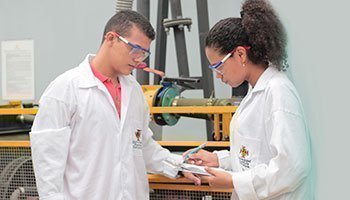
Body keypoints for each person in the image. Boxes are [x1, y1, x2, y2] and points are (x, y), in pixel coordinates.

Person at [30, 10, 183, 200]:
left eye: (144, 54)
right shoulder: (65, 89)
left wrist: (180, 166)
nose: (138, 59)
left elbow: (142, 146)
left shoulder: (134, 90)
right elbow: (48, 162)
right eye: (135, 49)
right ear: (111, 38)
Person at [183, 0, 313, 199]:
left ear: (241, 54)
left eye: (218, 66)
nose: (218, 75)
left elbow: (292, 168)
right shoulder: (256, 91)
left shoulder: (277, 91)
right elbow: (254, 156)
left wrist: (233, 181)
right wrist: (218, 160)